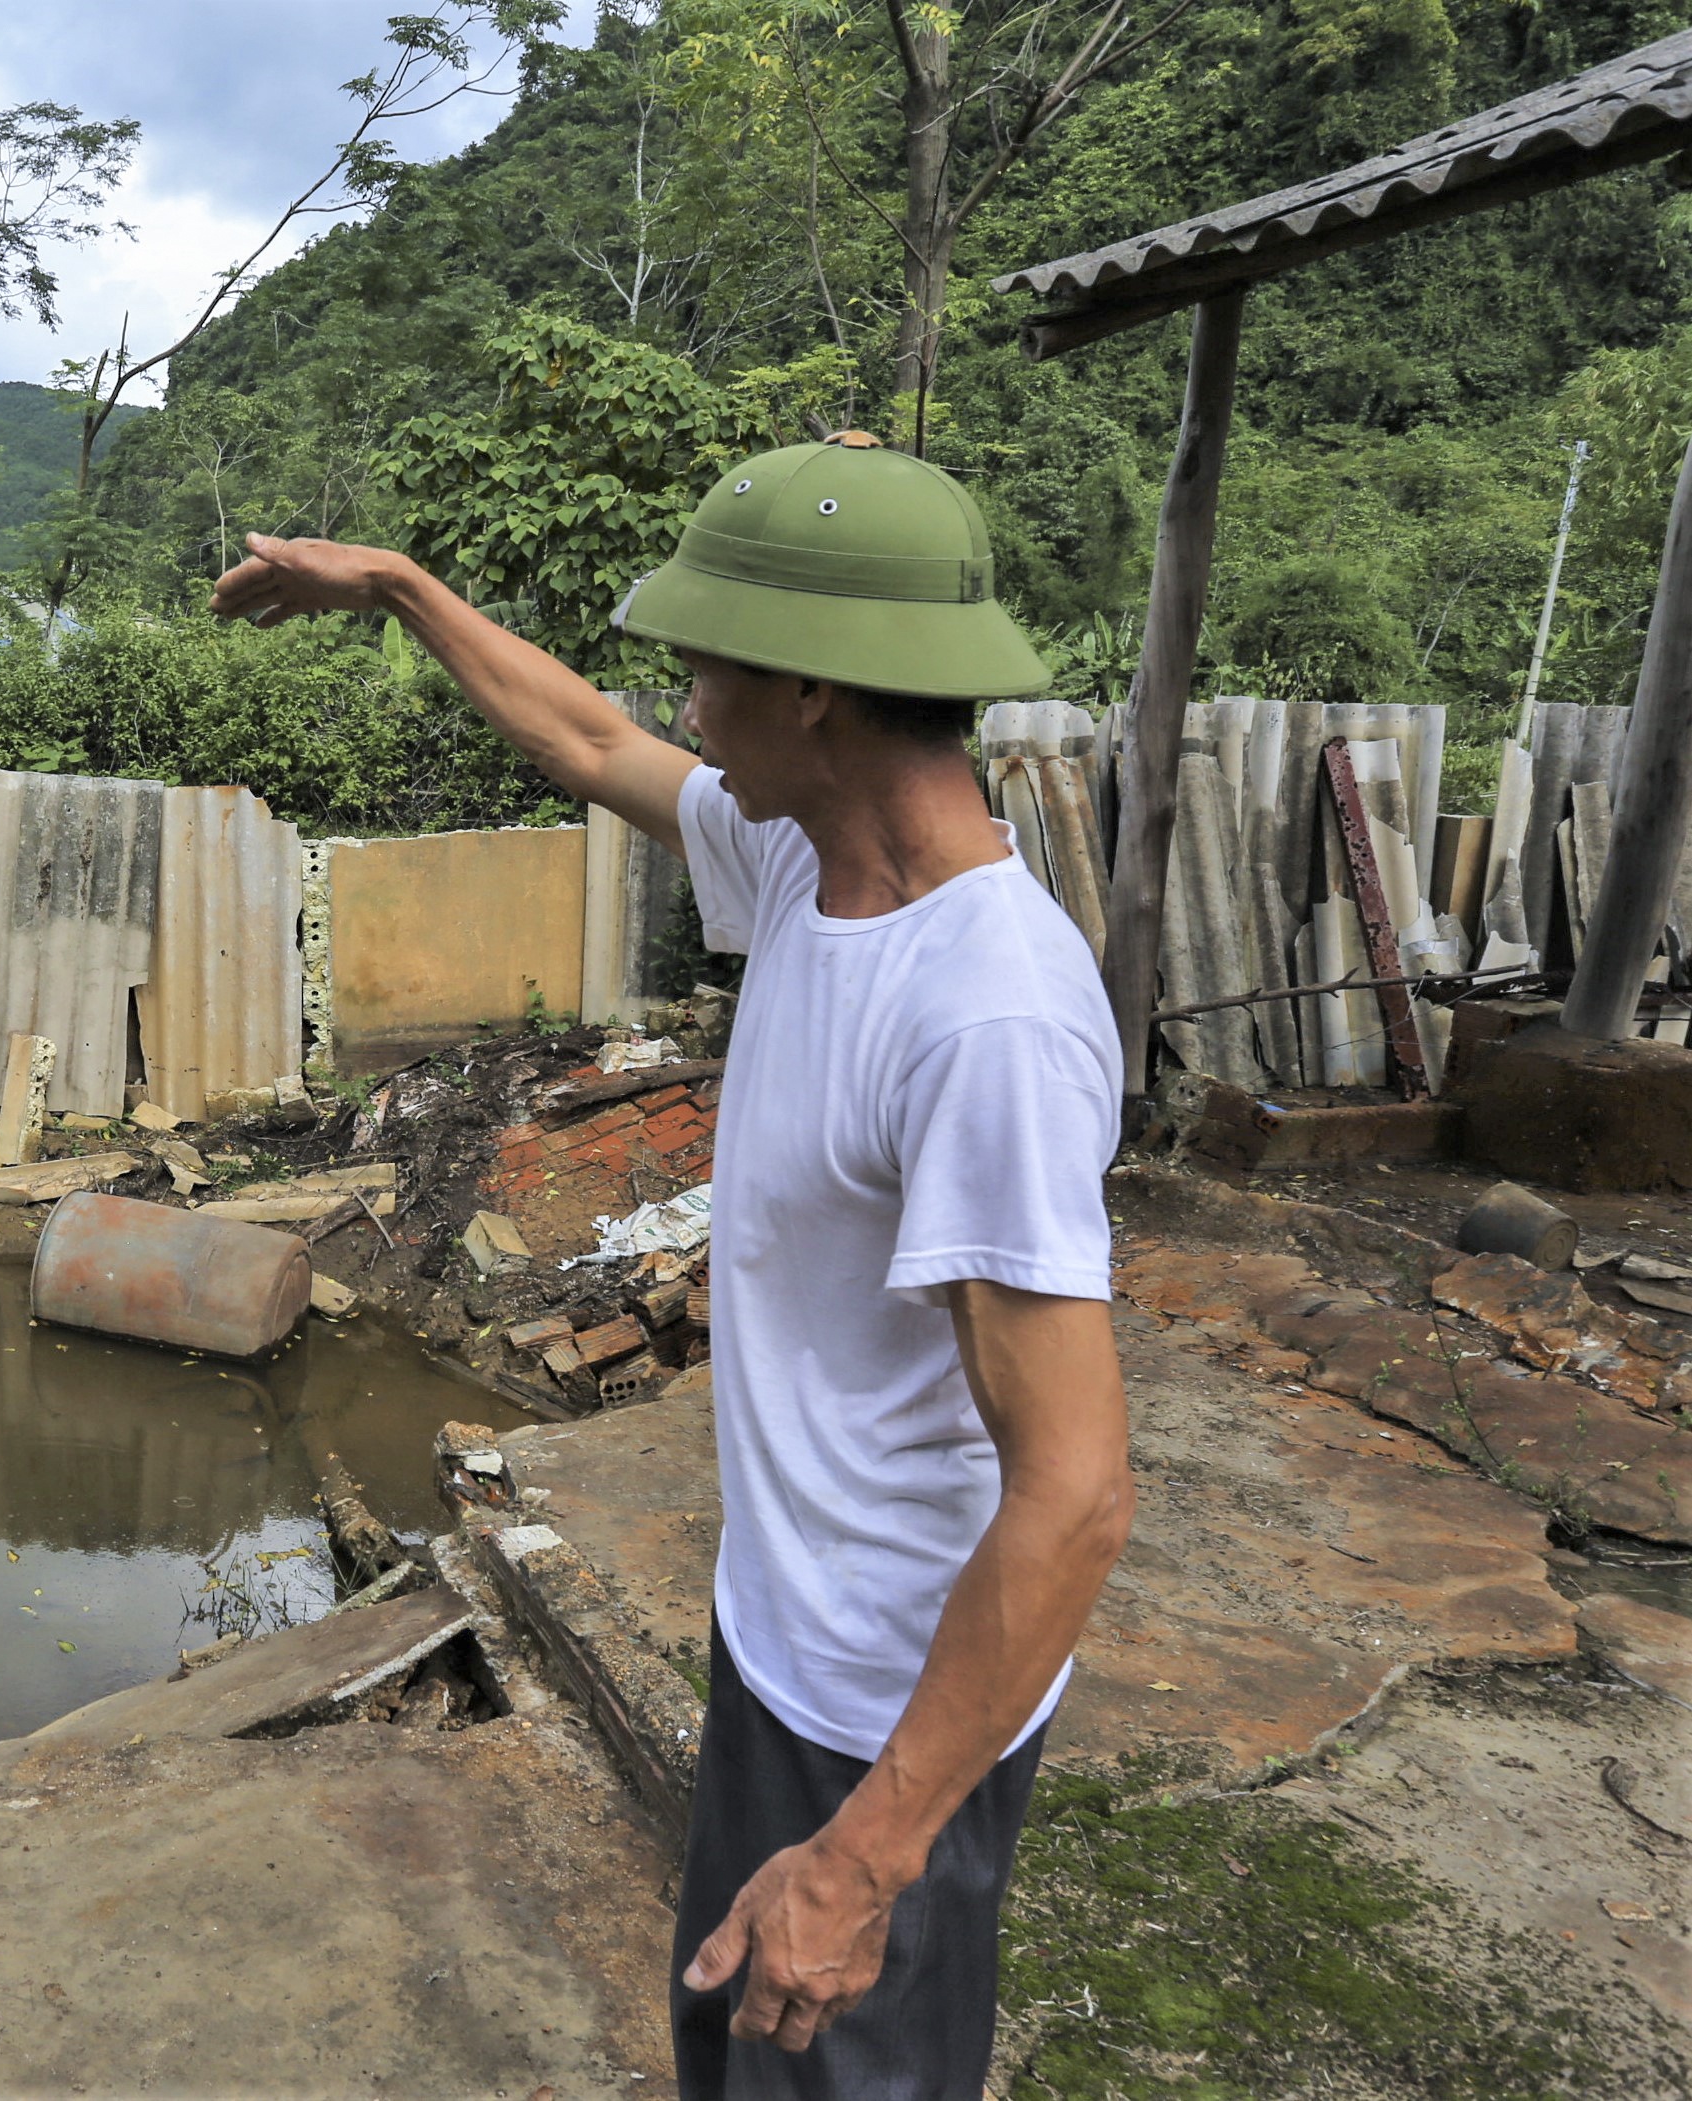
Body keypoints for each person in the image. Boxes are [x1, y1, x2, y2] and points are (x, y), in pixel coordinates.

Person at [211, 433, 1134, 2099]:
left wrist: (864, 1855)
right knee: (729, 2052)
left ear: (810, 689)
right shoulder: (807, 862)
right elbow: (582, 736)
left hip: (884, 1704)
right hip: (785, 1637)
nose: (684, 696)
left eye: (706, 660)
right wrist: (404, 590)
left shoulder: (983, 1010)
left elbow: (1071, 1492)